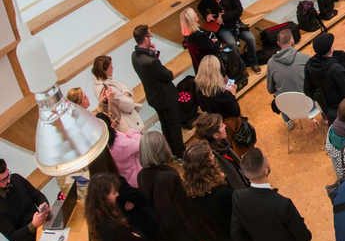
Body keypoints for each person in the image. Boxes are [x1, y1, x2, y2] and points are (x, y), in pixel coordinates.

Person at [138, 132, 245, 241]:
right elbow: (186, 212)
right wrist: (202, 237)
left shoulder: (142, 175)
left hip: (173, 234)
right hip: (190, 231)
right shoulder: (170, 176)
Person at [131, 25, 185, 158]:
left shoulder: (135, 55)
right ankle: (180, 152)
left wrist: (153, 54)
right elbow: (168, 75)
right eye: (150, 36)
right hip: (165, 97)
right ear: (145, 39)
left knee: (165, 125)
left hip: (154, 97)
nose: (151, 39)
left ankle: (171, 150)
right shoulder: (150, 62)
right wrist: (154, 56)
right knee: (174, 126)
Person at [198, 0, 261, 74]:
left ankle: (254, 62)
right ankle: (242, 66)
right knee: (232, 44)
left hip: (236, 23)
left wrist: (224, 17)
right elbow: (201, 7)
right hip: (221, 28)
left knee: (251, 39)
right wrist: (206, 15)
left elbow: (239, 9)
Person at [193, 55, 252, 153]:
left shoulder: (199, 88)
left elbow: (203, 108)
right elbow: (236, 112)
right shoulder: (222, 93)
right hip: (230, 126)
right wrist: (232, 95)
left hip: (215, 125)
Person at [305, 33, 345, 120]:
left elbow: (307, 90)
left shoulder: (309, 64)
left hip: (326, 109)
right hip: (343, 111)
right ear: (331, 49)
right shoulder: (337, 69)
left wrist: (321, 97)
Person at [0, 160, 49, 241]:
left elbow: (38, 196)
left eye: (8, 175)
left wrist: (44, 205)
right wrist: (33, 225)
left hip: (45, 228)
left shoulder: (16, 179)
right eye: (3, 180)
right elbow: (14, 237)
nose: (8, 181)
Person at [266, 27, 308, 130]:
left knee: (279, 97)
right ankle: (325, 118)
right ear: (292, 41)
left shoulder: (271, 63)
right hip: (308, 105)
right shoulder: (305, 57)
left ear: (278, 43)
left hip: (288, 107)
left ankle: (288, 121)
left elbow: (270, 89)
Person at [192, 113, 249, 189]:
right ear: (215, 135)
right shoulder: (213, 157)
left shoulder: (223, 144)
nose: (225, 126)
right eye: (221, 126)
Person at [92, 54, 144, 132]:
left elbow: (124, 87)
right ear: (104, 70)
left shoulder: (99, 82)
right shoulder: (109, 89)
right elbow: (129, 106)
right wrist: (126, 95)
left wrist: (125, 93)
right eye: (110, 67)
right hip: (128, 125)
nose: (113, 68)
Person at [180, 7, 222, 73]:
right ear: (191, 19)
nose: (196, 14)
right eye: (194, 14)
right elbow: (214, 48)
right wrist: (216, 42)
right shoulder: (197, 36)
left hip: (201, 66)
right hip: (209, 68)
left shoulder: (188, 34)